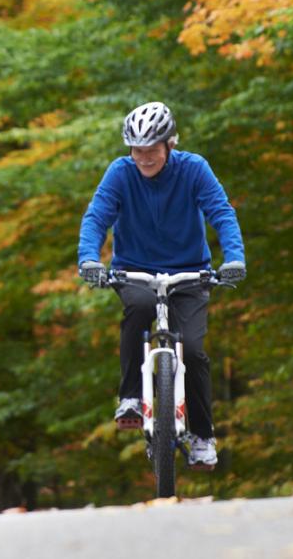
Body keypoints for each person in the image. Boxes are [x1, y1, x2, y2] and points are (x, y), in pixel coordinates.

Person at [76, 101, 246, 470]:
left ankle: (202, 435)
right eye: (137, 150)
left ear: (171, 144)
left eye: (152, 149)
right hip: (135, 270)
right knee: (137, 309)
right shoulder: (120, 174)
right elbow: (96, 217)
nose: (144, 157)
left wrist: (233, 258)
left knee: (196, 350)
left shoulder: (194, 169)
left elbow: (221, 212)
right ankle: (131, 399)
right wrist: (89, 259)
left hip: (189, 273)